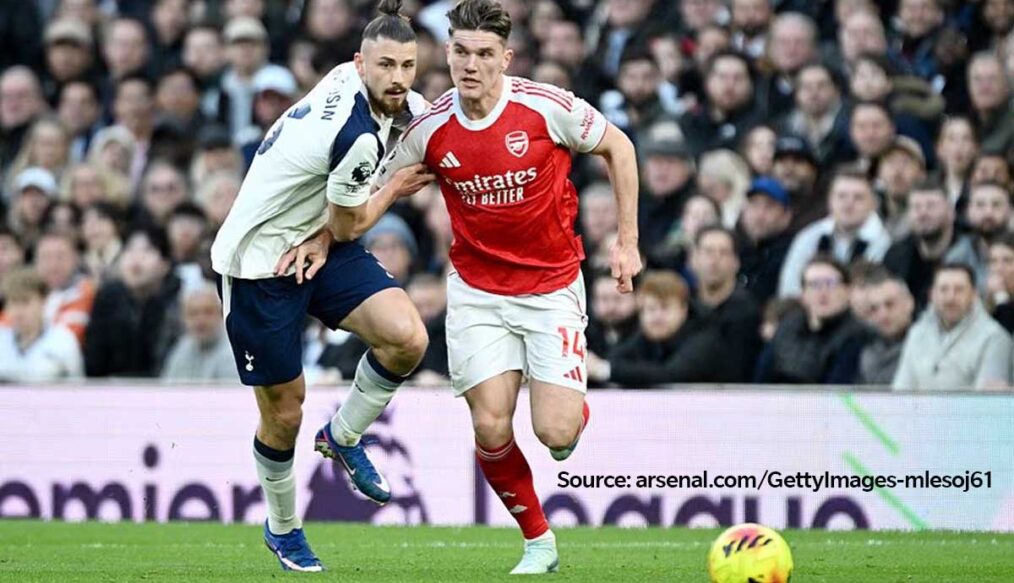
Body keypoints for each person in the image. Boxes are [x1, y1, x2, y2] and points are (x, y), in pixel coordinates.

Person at [374, 0, 641, 574]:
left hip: (552, 287)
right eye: (461, 52)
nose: (471, 65)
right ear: (447, 54)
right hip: (478, 292)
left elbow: (619, 147)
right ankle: (538, 541)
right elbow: (370, 185)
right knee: (490, 424)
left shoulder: (546, 108)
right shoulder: (430, 128)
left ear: (506, 58)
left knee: (556, 435)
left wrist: (627, 242)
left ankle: (568, 409)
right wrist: (334, 228)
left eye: (484, 54)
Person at [209, 1, 434, 572]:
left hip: (318, 238)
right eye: (386, 65)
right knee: (285, 413)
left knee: (407, 338)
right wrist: (395, 187)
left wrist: (328, 233)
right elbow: (352, 223)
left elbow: (425, 118)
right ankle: (283, 528)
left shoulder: (361, 86)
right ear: (360, 63)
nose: (399, 78)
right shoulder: (354, 132)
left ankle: (344, 435)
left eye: (407, 65)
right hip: (262, 264)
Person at [893, 263, 1012, 390]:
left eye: (959, 290)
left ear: (974, 294)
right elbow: (901, 390)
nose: (950, 298)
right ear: (932, 295)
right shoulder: (917, 333)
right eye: (944, 289)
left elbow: (986, 398)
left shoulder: (995, 338)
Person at [0, 267, 83, 382]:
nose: (18, 312)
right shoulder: (2, 339)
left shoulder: (63, 340)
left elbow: (77, 386)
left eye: (25, 302)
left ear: (43, 301)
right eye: (12, 303)